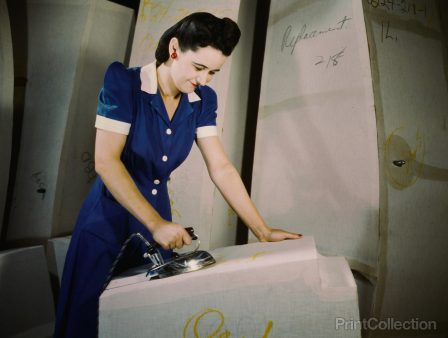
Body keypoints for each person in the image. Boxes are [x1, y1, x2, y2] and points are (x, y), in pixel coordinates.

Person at [53, 12, 301, 338]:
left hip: (158, 227)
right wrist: (155, 223)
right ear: (174, 50)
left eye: (214, 71)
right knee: (86, 325)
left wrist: (262, 230)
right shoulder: (124, 83)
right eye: (199, 68)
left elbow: (221, 167)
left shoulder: (201, 101)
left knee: (147, 322)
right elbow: (106, 162)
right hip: (106, 225)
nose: (205, 79)